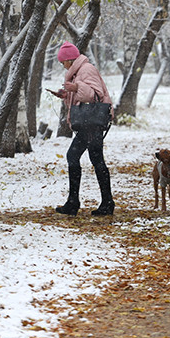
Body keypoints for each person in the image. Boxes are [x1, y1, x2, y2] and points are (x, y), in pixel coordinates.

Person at [52, 42, 115, 216]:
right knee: (95, 159)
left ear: (70, 60)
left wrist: (76, 87)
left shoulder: (86, 70)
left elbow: (95, 95)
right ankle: (104, 202)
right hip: (89, 123)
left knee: (77, 157)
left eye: (63, 62)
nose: (63, 65)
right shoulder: (78, 72)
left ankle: (77, 203)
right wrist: (67, 95)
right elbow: (82, 96)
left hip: (92, 123)